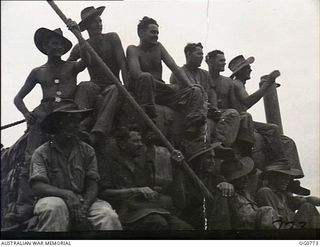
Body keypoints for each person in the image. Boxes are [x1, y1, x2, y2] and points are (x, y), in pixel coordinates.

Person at [11, 25, 88, 225]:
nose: (58, 48)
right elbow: (18, 98)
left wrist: (78, 33)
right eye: (54, 44)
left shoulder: (72, 66)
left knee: (75, 150)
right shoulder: (38, 72)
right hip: (44, 113)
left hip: (67, 112)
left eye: (61, 45)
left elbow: (88, 59)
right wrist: (27, 114)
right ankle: (24, 206)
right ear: (45, 46)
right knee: (31, 156)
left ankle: (80, 197)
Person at [29, 103, 122, 231]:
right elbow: (37, 185)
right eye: (69, 121)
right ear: (58, 124)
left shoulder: (87, 150)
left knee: (108, 216)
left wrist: (85, 206)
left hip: (83, 198)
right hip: (53, 198)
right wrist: (66, 194)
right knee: (53, 209)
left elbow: (92, 182)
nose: (75, 125)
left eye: (77, 121)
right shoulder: (42, 152)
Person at [126, 17, 207, 155]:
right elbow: (136, 73)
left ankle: (191, 129)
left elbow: (175, 68)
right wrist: (160, 85)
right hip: (145, 89)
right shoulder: (133, 49)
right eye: (152, 32)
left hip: (161, 91)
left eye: (157, 32)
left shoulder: (159, 47)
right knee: (146, 77)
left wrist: (189, 86)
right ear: (141, 32)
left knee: (196, 91)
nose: (156, 36)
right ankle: (150, 125)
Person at [98, 125, 192, 230]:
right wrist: (135, 190)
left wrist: (175, 167)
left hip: (150, 210)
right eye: (136, 141)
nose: (141, 144)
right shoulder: (110, 165)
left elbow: (154, 190)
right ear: (122, 144)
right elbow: (104, 193)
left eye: (141, 141)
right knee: (158, 223)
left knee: (184, 227)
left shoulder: (141, 168)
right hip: (128, 213)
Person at [68, 6, 130, 145]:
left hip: (113, 83)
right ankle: (77, 124)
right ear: (87, 26)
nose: (99, 25)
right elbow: (67, 69)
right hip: (95, 84)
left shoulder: (112, 38)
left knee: (115, 89)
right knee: (84, 86)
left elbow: (122, 63)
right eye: (94, 22)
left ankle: (97, 133)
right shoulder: (81, 46)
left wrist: (127, 88)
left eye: (100, 21)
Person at [228, 55, 288, 162]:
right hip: (240, 121)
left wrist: (263, 87)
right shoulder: (237, 84)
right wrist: (268, 84)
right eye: (247, 68)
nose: (250, 69)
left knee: (281, 137)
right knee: (273, 129)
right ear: (240, 71)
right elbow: (248, 101)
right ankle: (279, 161)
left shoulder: (239, 84)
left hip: (242, 119)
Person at [206, 50, 255, 152]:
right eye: (221, 60)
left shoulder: (228, 81)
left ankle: (246, 152)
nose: (224, 62)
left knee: (246, 116)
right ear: (210, 62)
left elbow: (234, 105)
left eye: (224, 60)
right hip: (209, 113)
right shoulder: (203, 77)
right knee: (232, 113)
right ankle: (219, 143)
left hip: (225, 114)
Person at [256, 160, 320, 229]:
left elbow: (302, 200)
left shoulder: (282, 195)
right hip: (284, 231)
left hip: (291, 227)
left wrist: (309, 199)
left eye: (288, 178)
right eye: (283, 177)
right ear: (273, 177)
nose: (287, 181)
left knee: (308, 206)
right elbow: (275, 221)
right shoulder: (265, 192)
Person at [220, 157, 279, 229]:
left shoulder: (245, 195)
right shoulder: (231, 196)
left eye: (246, 175)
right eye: (240, 177)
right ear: (232, 180)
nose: (246, 179)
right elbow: (246, 219)